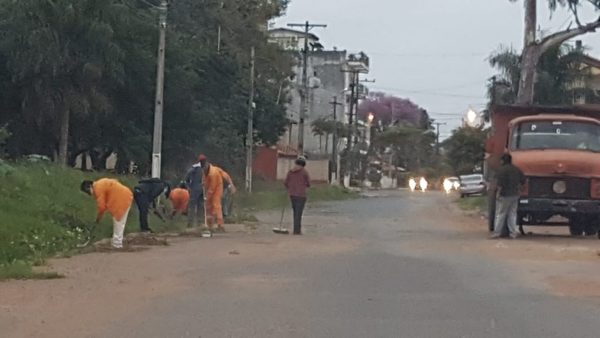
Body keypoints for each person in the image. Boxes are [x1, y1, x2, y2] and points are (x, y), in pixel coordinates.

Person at [80, 178, 133, 249]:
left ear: (89, 186)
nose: (90, 194)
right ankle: (117, 243)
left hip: (120, 199)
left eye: (88, 192)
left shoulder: (98, 188)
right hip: (126, 195)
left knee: (118, 222)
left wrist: (98, 218)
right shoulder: (100, 183)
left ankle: (117, 244)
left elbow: (101, 207)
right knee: (120, 223)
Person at [491, 153, 525, 239]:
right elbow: (523, 180)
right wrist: (520, 190)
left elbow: (499, 184)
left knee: (500, 214)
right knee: (512, 214)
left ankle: (497, 233)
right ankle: (513, 233)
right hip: (515, 195)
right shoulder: (516, 169)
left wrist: (498, 194)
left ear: (503, 161)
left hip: (504, 195)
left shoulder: (501, 170)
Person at [200, 155, 236, 232]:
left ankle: (220, 225)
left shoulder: (213, 173)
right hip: (209, 188)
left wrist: (207, 197)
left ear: (206, 164)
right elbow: (205, 180)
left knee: (216, 205)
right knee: (208, 206)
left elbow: (212, 188)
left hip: (217, 188)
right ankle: (210, 225)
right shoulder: (204, 170)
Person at [284, 156, 311, 235]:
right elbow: (309, 183)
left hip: (292, 195)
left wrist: (289, 187)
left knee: (295, 212)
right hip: (301, 195)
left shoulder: (290, 172)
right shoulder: (304, 172)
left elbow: (286, 183)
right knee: (298, 213)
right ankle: (297, 231)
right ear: (303, 164)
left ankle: (296, 229)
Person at [185, 157, 204, 228]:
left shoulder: (204, 168)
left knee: (201, 207)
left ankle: (200, 223)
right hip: (194, 190)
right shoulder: (195, 168)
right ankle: (190, 224)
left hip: (201, 190)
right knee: (192, 207)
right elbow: (187, 177)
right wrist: (189, 187)